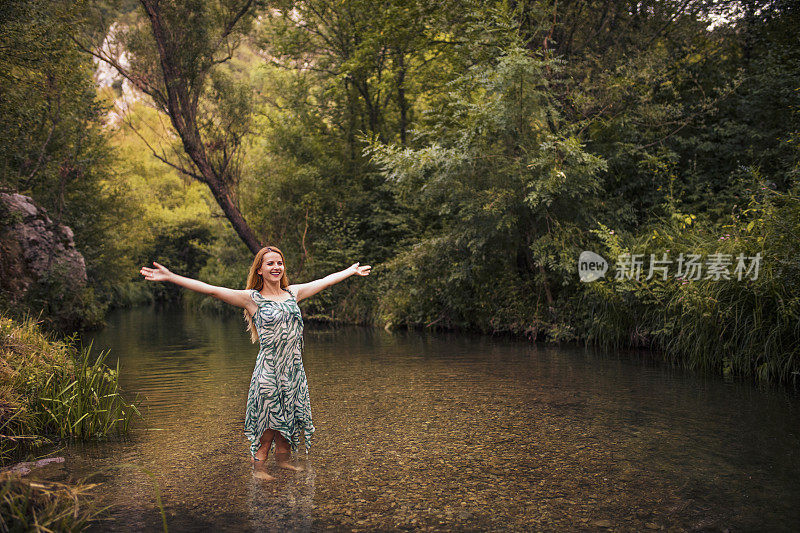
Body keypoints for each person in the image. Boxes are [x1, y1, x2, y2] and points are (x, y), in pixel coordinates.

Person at [140, 245, 371, 478]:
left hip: (293, 371)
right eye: (270, 263)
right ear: (259, 269)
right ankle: (258, 468)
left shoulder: (293, 293)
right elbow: (211, 290)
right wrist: (171, 277)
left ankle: (282, 463)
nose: (276, 267)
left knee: (288, 420)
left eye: (279, 263)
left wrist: (350, 271)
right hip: (269, 371)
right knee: (268, 424)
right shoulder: (252, 299)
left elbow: (325, 281)